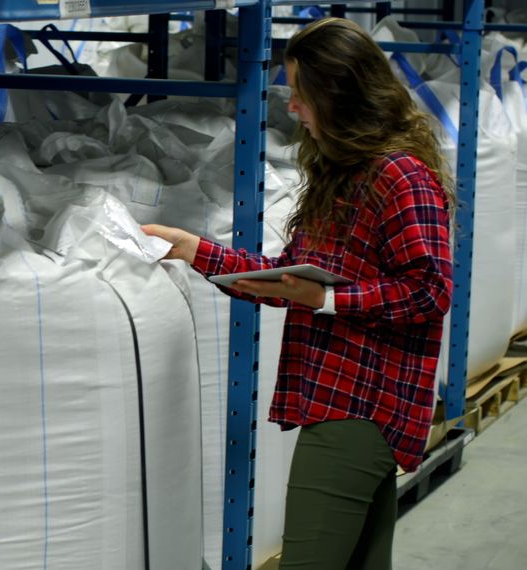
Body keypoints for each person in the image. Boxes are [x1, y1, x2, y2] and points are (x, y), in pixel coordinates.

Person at [142, 18, 454, 570]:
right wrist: (192, 250)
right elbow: (289, 277)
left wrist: (329, 301)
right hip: (337, 397)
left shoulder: (400, 176)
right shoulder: (345, 173)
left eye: (302, 95)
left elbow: (430, 292)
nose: (292, 110)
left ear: (340, 95)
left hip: (365, 406)